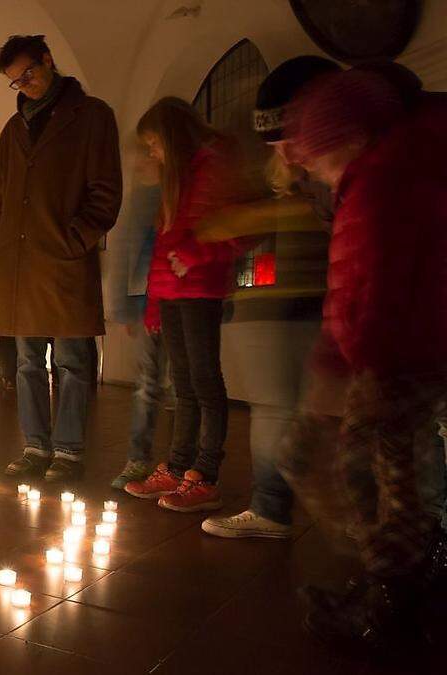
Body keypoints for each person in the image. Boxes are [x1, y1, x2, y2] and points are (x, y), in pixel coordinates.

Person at [276, 70, 447, 647]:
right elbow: (354, 282)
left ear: (350, 136)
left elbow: (385, 281)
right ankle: (394, 574)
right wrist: (335, 358)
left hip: (399, 358)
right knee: (372, 473)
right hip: (382, 356)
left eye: (318, 156)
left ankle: (391, 597)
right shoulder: (373, 174)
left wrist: (365, 367)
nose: (314, 170)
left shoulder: (388, 178)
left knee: (378, 472)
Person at [198, 55, 342, 539]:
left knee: (291, 412)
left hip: (305, 301)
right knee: (279, 410)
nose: (285, 156)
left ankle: (286, 510)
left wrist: (246, 220)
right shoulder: (283, 172)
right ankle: (282, 508)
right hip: (272, 301)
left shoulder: (332, 175)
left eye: (288, 143)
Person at [0, 35, 122, 484]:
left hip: (62, 258)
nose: (24, 85)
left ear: (48, 60)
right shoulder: (12, 130)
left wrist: (75, 239)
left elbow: (105, 190)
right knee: (27, 361)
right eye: (15, 82)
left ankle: (67, 450)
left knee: (71, 359)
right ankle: (34, 445)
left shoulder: (92, 116)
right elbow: (4, 195)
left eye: (28, 73)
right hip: (21, 262)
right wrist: (1, 238)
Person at [123, 98, 248, 512]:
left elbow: (233, 231)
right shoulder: (175, 180)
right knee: (184, 384)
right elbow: (164, 246)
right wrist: (154, 303)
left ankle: (205, 474)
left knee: (205, 383)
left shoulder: (213, 167)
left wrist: (194, 254)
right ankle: (177, 468)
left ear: (174, 138)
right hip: (174, 295)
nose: (151, 153)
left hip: (200, 291)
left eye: (154, 143)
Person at [110, 151, 170, 490]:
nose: (143, 160)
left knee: (182, 385)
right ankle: (138, 458)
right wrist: (126, 307)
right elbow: (125, 252)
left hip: (178, 298)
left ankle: (184, 465)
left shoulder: (177, 191)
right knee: (149, 382)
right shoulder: (139, 201)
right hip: (147, 303)